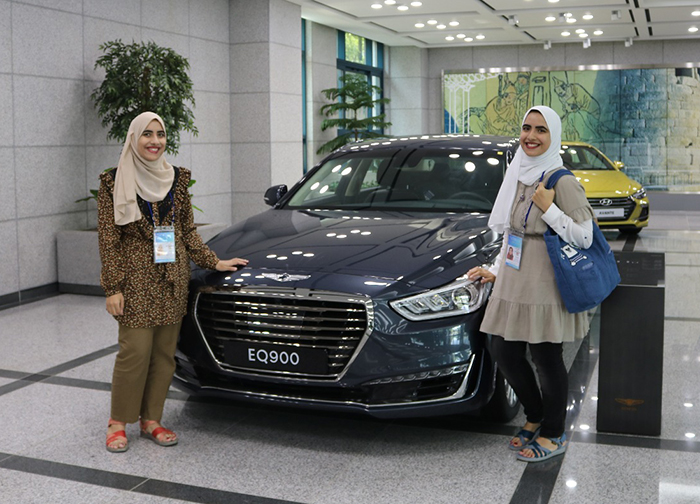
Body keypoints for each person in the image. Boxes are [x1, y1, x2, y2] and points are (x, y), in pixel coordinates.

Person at [98, 112, 248, 453]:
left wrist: (215, 261)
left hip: (172, 278)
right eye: (147, 134)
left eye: (160, 134)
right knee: (134, 352)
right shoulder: (113, 181)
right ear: (134, 139)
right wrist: (113, 288)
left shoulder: (177, 179)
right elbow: (108, 240)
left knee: (165, 355)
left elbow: (187, 232)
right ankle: (118, 422)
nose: (155, 141)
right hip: (135, 279)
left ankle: (151, 419)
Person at [467, 105, 594, 463]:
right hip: (514, 277)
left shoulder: (561, 180)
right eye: (526, 128)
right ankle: (535, 414)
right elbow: (512, 233)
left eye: (541, 130)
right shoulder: (519, 172)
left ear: (553, 136)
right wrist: (496, 268)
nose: (531, 136)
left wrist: (550, 210)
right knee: (503, 350)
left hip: (544, 280)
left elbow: (585, 237)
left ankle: (554, 432)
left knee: (545, 357)